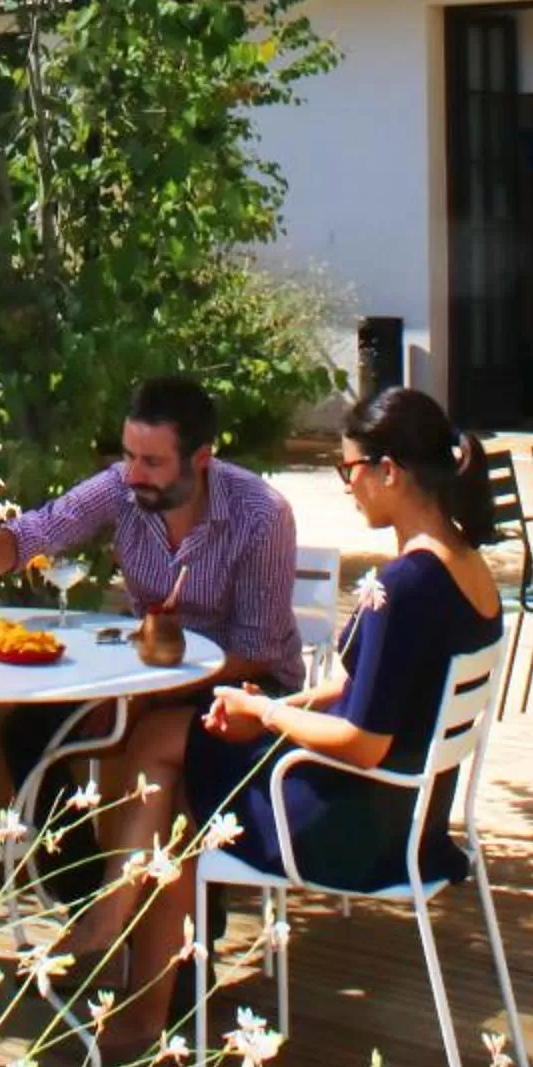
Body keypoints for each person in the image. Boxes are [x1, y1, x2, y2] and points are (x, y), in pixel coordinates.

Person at [0, 375, 299, 1058]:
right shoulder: (123, 488)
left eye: (152, 463)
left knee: (140, 741)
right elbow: (33, 533)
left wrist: (148, 686)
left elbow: (259, 649)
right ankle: (110, 915)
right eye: (129, 457)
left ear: (201, 458)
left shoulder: (260, 514)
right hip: (149, 677)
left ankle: (109, 929)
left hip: (242, 691)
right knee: (39, 729)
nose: (134, 476)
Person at [189, 384, 503, 902]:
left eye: (348, 470)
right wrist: (266, 705)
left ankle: (174, 961)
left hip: (353, 834)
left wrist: (264, 715)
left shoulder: (401, 588)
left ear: (389, 472)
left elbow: (362, 742)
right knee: (208, 745)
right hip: (413, 820)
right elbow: (356, 685)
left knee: (180, 752)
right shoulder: (470, 568)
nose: (347, 486)